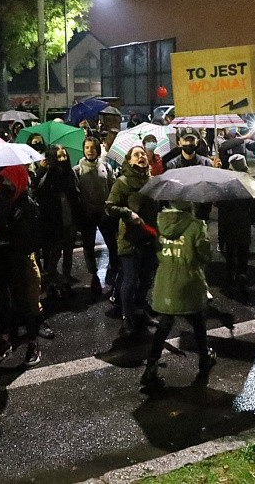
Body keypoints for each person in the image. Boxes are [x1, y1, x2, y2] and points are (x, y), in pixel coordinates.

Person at [140, 201, 216, 389]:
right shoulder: (196, 225)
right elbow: (205, 255)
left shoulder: (159, 222)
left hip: (166, 281)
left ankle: (151, 366)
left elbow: (156, 251)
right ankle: (204, 358)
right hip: (189, 281)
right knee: (197, 321)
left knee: (164, 324)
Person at [0, 165, 42, 367]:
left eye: (8, 180)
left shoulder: (27, 204)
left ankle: (32, 341)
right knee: (3, 301)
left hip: (17, 259)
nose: (4, 184)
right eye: (2, 180)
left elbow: (31, 236)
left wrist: (7, 234)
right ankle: (6, 339)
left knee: (22, 300)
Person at [105, 145, 158, 336]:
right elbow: (109, 207)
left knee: (146, 279)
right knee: (130, 280)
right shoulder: (123, 182)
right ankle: (127, 317)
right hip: (129, 240)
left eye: (143, 154)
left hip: (149, 238)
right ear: (129, 160)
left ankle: (140, 310)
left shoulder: (152, 181)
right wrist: (128, 213)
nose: (141, 156)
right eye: (136, 154)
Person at [73, 137, 120, 293]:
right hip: (87, 214)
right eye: (87, 147)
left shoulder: (105, 166)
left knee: (112, 243)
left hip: (104, 213)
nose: (90, 150)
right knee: (88, 246)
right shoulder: (77, 170)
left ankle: (115, 270)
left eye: (93, 147)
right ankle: (93, 274)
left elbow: (112, 187)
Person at [35, 145, 82, 298]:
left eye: (64, 156)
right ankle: (52, 283)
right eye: (59, 156)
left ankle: (66, 281)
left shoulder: (70, 173)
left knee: (68, 254)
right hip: (55, 222)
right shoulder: (48, 174)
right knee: (53, 256)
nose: (62, 159)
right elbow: (38, 191)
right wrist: (42, 170)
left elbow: (76, 195)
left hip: (70, 221)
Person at [216, 154, 255, 303]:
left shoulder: (225, 184)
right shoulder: (249, 182)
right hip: (243, 224)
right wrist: (252, 219)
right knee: (242, 253)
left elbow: (219, 204)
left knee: (230, 252)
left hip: (228, 224)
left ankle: (230, 278)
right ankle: (242, 278)